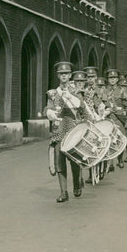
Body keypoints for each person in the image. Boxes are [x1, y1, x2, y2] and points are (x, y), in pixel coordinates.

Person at [45, 63, 85, 202]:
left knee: (74, 160)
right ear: (58, 75)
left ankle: (77, 185)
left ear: (70, 75)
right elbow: (48, 108)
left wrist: (69, 96)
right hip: (59, 130)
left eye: (66, 73)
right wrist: (50, 113)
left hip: (73, 129)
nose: (64, 76)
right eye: (61, 74)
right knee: (59, 162)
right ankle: (63, 192)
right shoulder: (52, 93)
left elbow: (81, 106)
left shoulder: (76, 91)